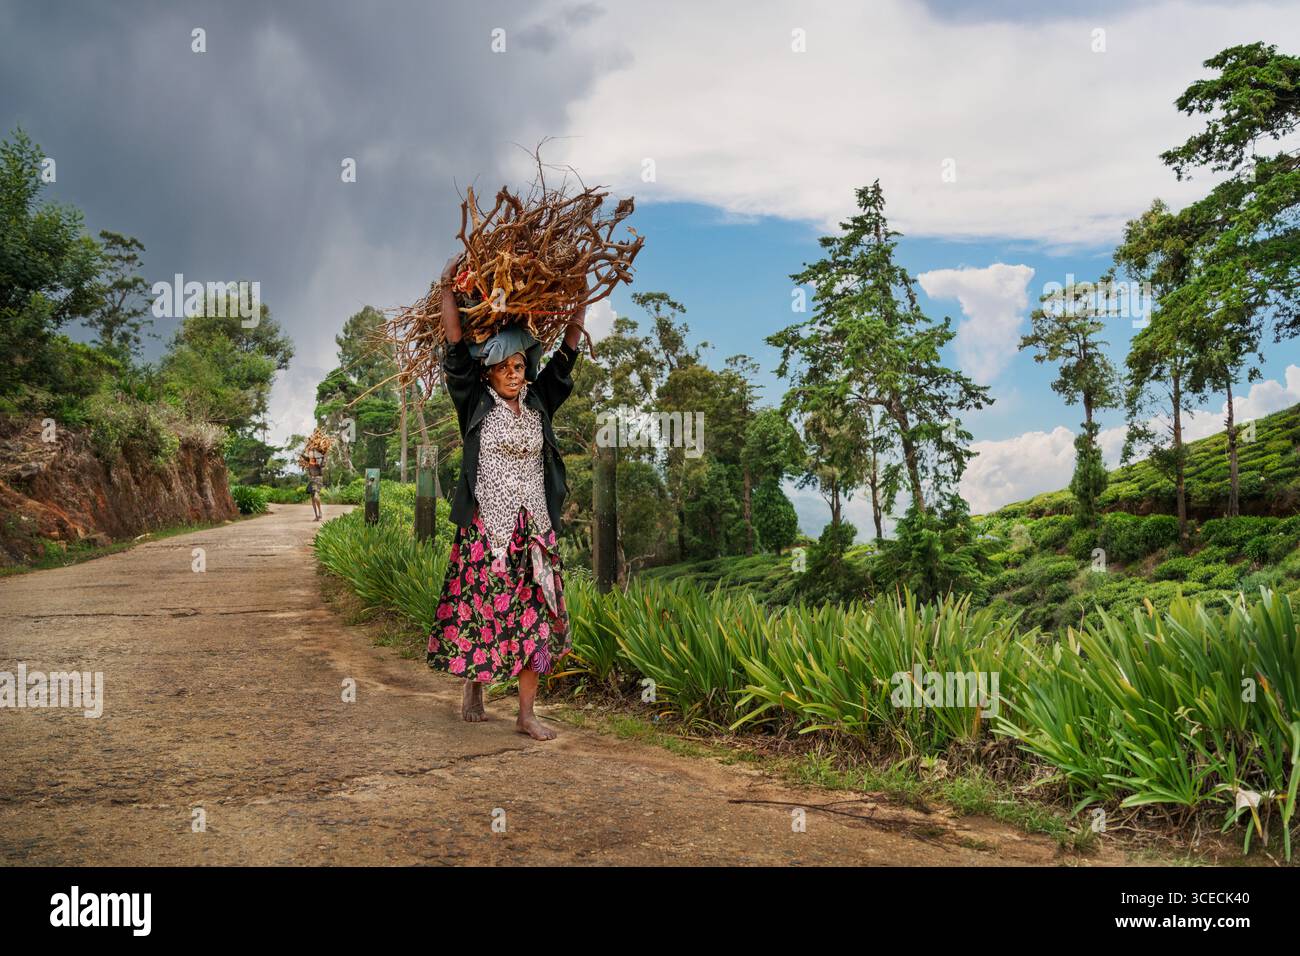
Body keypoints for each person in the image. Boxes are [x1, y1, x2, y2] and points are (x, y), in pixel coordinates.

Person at [426, 251, 585, 740]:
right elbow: (455, 351)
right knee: (482, 610)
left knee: (536, 616)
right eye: (503, 367)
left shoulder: (539, 403)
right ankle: (475, 682)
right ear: (489, 373)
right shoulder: (474, 402)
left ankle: (525, 714)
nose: (514, 373)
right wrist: (448, 289)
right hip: (487, 530)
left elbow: (565, 360)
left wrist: (580, 303)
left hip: (533, 529)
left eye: (519, 365)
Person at [305, 450, 324, 521]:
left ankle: (320, 512)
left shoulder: (318, 461)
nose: (310, 454)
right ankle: (316, 516)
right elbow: (303, 455)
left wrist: (320, 457)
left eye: (311, 453)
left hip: (318, 480)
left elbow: (322, 463)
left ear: (314, 454)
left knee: (316, 496)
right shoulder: (308, 460)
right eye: (309, 453)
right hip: (312, 481)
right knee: (313, 499)